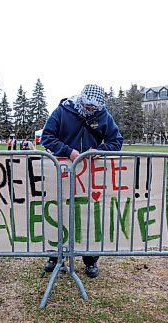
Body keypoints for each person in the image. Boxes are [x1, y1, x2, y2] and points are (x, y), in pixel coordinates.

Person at [40, 83, 124, 278]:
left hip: (90, 176)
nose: (91, 111)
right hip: (60, 172)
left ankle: (90, 259)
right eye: (88, 106)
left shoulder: (103, 116)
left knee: (89, 214)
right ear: (81, 100)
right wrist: (69, 152)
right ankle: (55, 255)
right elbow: (47, 137)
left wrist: (100, 151)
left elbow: (116, 141)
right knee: (58, 211)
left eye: (94, 108)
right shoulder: (62, 111)